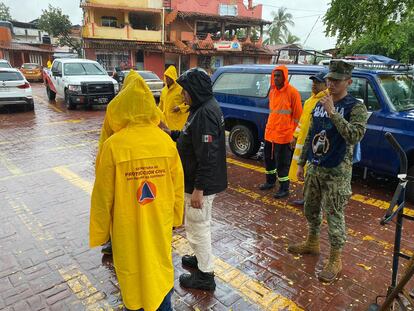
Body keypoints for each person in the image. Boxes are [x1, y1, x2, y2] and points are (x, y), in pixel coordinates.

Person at [89, 73, 184, 311]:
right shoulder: (166, 143)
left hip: (126, 224)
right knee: (159, 266)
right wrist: (175, 217)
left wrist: (101, 232)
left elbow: (102, 196)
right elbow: (178, 187)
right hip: (158, 220)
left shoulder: (113, 146)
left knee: (131, 271)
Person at [287, 60, 368, 283]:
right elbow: (311, 133)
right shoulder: (320, 103)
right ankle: (312, 242)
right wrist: (303, 163)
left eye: (337, 80)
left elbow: (354, 135)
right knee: (311, 208)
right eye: (330, 79)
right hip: (316, 166)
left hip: (338, 171)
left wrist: (334, 113)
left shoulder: (356, 107)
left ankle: (335, 258)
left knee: (334, 215)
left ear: (348, 82)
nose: (331, 84)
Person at [161, 68, 227, 291]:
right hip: (198, 181)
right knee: (197, 225)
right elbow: (191, 138)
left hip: (201, 185)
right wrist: (171, 133)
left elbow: (207, 154)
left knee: (198, 228)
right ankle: (200, 260)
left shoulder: (205, 113)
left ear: (196, 90)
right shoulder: (201, 109)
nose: (183, 95)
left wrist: (199, 188)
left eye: (186, 91)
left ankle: (205, 276)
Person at [96, 70, 165, 255]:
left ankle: (115, 241)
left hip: (121, 163)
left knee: (120, 208)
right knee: (146, 208)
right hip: (146, 166)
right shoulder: (151, 108)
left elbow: (106, 136)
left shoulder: (115, 108)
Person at [259, 65, 302, 199]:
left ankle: (284, 188)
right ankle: (270, 182)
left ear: (284, 76)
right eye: (274, 75)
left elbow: (298, 116)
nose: (276, 78)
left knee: (283, 163)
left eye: (279, 75)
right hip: (270, 134)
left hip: (284, 136)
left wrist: (293, 135)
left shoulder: (292, 92)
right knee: (269, 160)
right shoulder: (272, 92)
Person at [288, 70, 329, 206]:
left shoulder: (326, 101)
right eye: (313, 82)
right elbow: (302, 121)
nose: (314, 85)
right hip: (305, 144)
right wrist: (295, 136)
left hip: (316, 144)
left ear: (326, 84)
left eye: (317, 82)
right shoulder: (310, 101)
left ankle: (312, 201)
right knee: (305, 172)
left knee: (313, 173)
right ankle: (306, 198)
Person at [158, 65, 189, 131]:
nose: (167, 79)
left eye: (169, 77)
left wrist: (180, 107)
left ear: (173, 77)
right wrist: (157, 114)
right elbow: (161, 105)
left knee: (177, 138)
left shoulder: (181, 89)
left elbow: (189, 103)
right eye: (166, 77)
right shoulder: (163, 91)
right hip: (166, 121)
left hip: (177, 121)